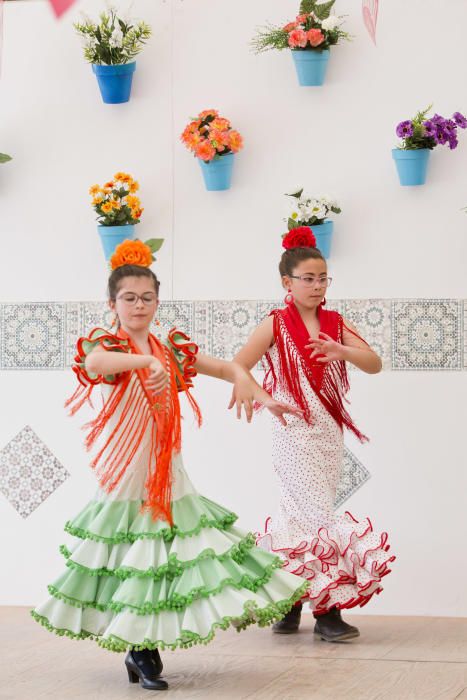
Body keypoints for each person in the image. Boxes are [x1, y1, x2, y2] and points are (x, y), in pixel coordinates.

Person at [31, 240, 308, 691]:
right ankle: (139, 647)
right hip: (127, 472)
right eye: (129, 298)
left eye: (147, 298)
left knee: (162, 558)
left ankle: (142, 648)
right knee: (134, 556)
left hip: (167, 469)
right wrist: (143, 360)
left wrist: (258, 393)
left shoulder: (171, 348)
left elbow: (226, 367)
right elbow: (94, 361)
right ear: (112, 303)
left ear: (157, 302)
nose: (139, 305)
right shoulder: (112, 345)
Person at [231, 226, 395, 642]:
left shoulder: (335, 323)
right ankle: (327, 611)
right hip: (292, 434)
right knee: (319, 517)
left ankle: (288, 604)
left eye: (323, 278)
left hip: (327, 434)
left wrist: (342, 351)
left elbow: (373, 362)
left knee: (299, 519)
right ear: (287, 282)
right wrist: (266, 400)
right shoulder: (275, 324)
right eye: (308, 278)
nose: (317, 285)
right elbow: (239, 366)